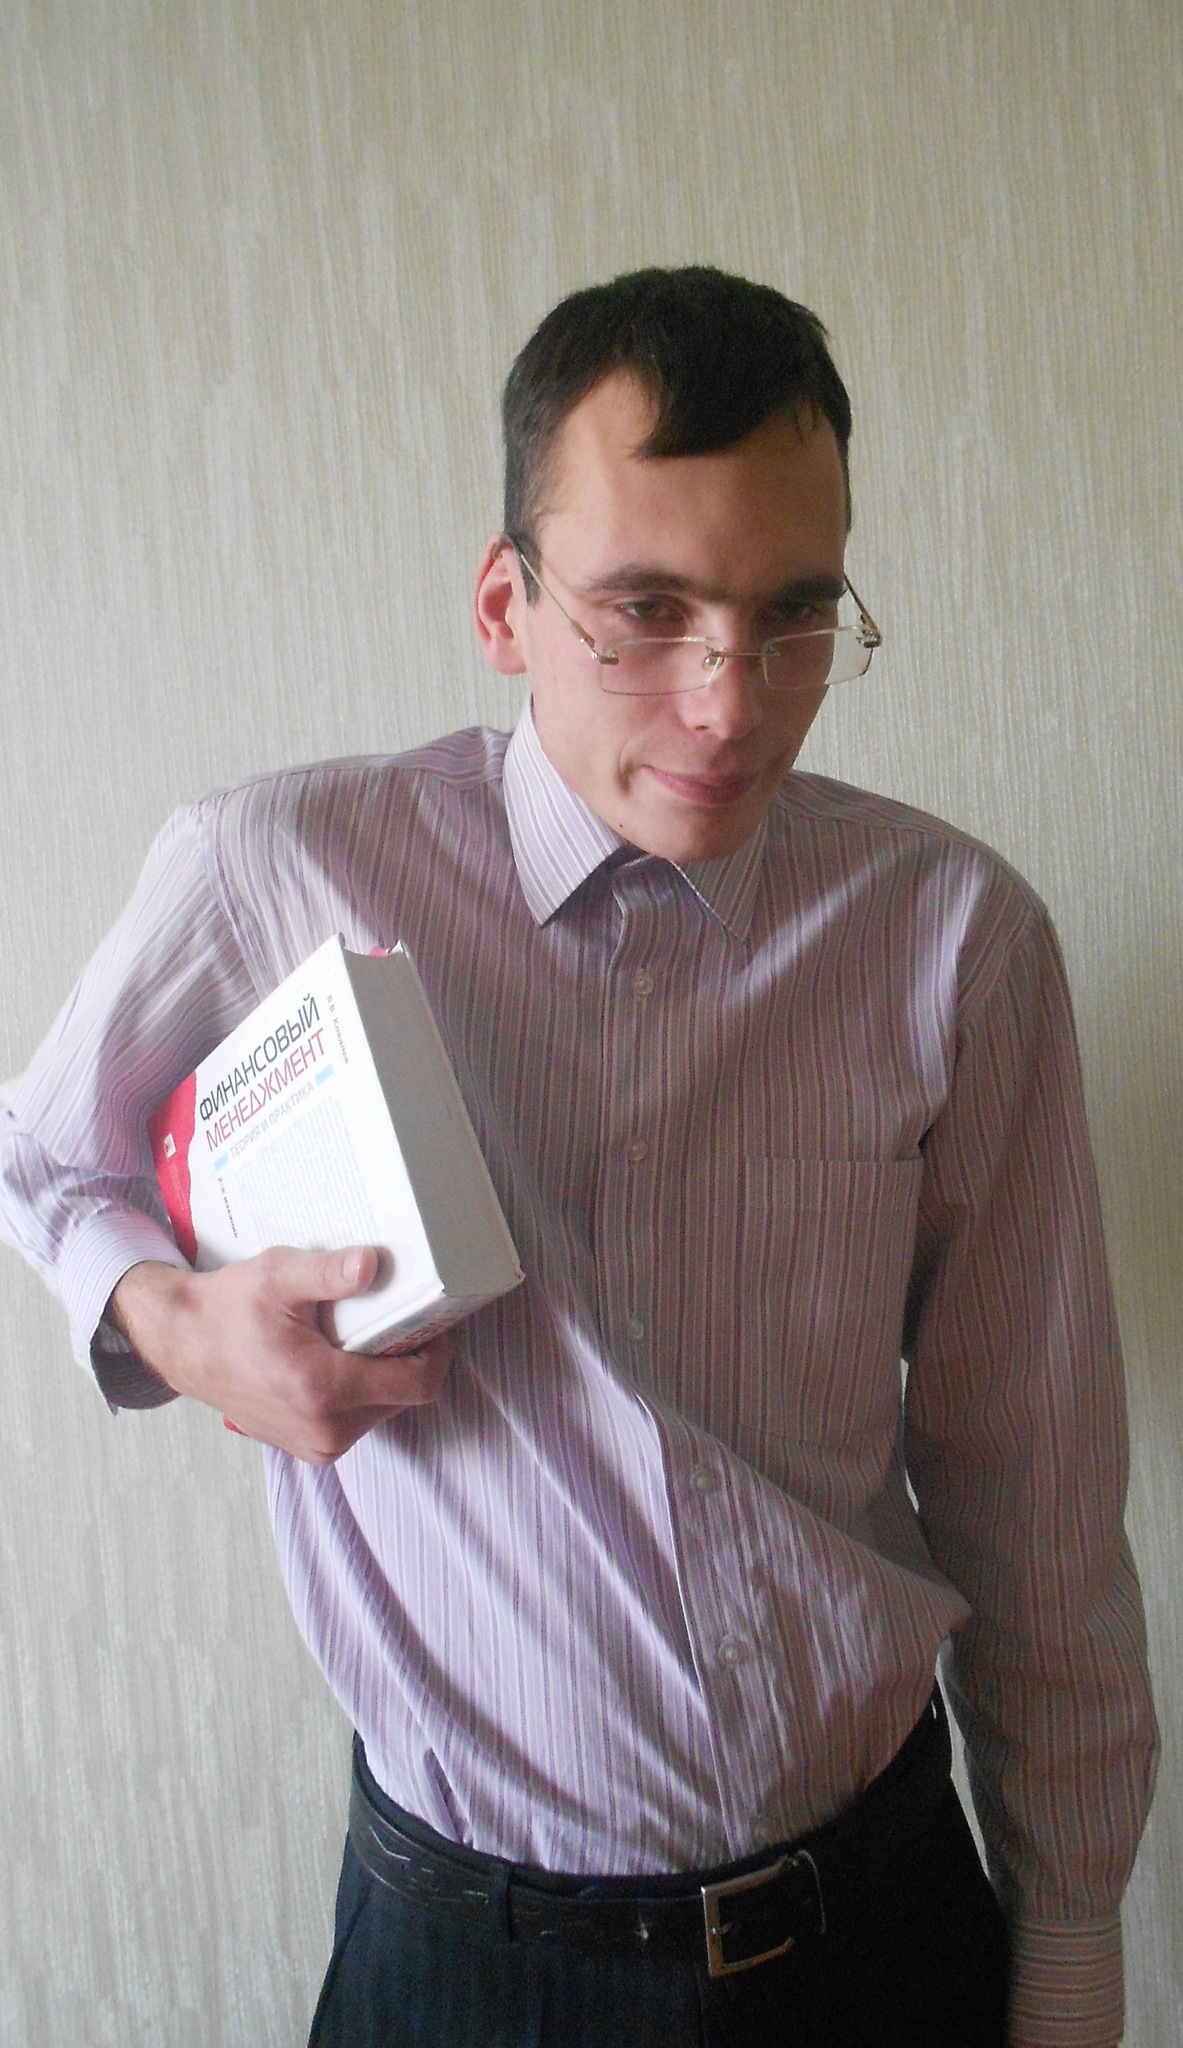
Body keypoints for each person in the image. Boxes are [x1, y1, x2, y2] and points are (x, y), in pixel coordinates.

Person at [0, 267, 1157, 2048]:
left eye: (793, 616)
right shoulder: (275, 866)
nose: (729, 703)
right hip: (469, 1959)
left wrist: (1072, 1943)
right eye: (644, 611)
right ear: (505, 604)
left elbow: (1037, 1488)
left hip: (880, 1924)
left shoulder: (955, 939)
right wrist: (171, 1323)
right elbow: (42, 1155)